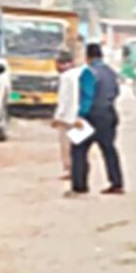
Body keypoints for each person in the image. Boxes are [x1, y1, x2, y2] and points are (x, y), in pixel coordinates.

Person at [67, 43, 125, 197]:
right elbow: (116, 92)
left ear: (88, 57)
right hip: (108, 113)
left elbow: (87, 96)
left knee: (78, 149)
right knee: (109, 149)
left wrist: (80, 116)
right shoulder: (111, 72)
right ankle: (116, 183)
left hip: (91, 115)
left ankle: (79, 186)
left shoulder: (88, 73)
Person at [50, 51, 83, 180]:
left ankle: (70, 170)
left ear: (62, 64)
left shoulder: (65, 77)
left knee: (66, 146)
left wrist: (57, 117)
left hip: (67, 118)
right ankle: (79, 170)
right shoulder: (81, 74)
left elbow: (63, 100)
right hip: (81, 116)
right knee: (79, 146)